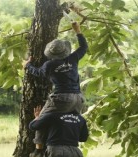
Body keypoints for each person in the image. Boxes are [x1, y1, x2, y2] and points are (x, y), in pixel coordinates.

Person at [24, 22, 88, 156]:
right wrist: (78, 31)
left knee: (41, 118)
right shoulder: (73, 58)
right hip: (78, 98)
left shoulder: (50, 64)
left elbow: (38, 73)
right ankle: (69, 146)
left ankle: (38, 149)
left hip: (61, 98)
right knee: (72, 119)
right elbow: (83, 47)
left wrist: (27, 65)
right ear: (65, 50)